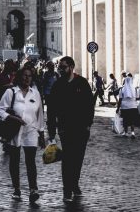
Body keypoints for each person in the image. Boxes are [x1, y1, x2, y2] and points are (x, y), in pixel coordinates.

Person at [47, 56, 94, 203]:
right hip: (65, 129)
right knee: (67, 159)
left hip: (81, 128)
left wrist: (88, 124)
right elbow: (52, 110)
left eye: (64, 67)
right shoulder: (57, 85)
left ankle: (75, 183)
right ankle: (67, 189)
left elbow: (90, 105)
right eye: (59, 67)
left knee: (78, 159)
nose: (61, 70)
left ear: (72, 67)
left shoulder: (82, 83)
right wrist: (52, 132)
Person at [0, 67, 45, 203]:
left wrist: (41, 133)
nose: (27, 78)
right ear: (19, 77)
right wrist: (13, 118)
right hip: (14, 131)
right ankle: (16, 189)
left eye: (30, 76)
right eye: (24, 75)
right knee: (14, 161)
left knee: (31, 161)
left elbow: (40, 115)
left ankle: (33, 189)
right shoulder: (11, 92)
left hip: (31, 131)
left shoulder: (35, 94)